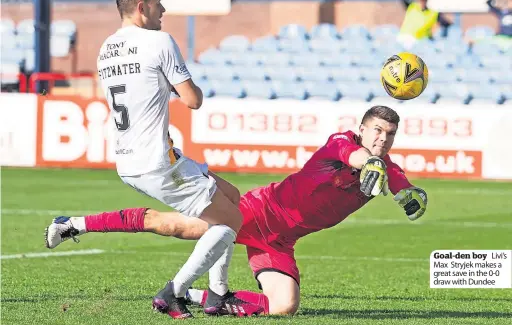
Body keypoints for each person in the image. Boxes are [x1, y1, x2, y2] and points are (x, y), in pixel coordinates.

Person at [45, 105, 428, 316]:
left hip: (282, 240)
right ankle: (74, 223)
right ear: (361, 128)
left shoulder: (389, 168)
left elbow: (404, 189)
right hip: (257, 212)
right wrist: (370, 163)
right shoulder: (341, 142)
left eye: (389, 134)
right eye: (376, 130)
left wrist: (412, 198)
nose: (382, 138)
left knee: (285, 307)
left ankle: (202, 297)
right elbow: (356, 156)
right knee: (172, 225)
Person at [45, 0, 246, 320]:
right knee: (229, 222)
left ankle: (217, 294)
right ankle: (175, 293)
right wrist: (186, 86)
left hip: (129, 159)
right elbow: (193, 100)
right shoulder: (159, 41)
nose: (163, 10)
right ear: (141, 7)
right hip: (157, 160)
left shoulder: (106, 48)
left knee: (231, 198)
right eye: (158, 4)